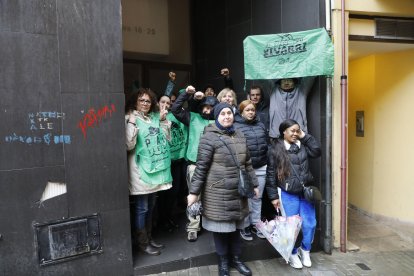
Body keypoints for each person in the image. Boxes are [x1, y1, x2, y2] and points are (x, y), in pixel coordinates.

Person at [187, 102, 259, 276]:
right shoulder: (209, 137)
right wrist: (194, 193)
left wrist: (254, 184)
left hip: (238, 191)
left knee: (237, 228)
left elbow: (247, 163)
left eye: (229, 113)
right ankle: (223, 263)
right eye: (222, 114)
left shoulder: (240, 135)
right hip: (218, 192)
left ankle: (236, 259)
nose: (227, 116)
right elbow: (201, 167)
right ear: (217, 116)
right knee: (221, 231)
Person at [265, 119, 321, 269]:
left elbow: (317, 151)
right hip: (287, 193)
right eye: (292, 131)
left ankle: (305, 250)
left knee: (310, 224)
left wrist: (304, 136)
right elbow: (270, 174)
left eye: (298, 131)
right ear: (284, 131)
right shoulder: (275, 149)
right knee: (291, 227)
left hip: (305, 192)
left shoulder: (302, 146)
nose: (295, 134)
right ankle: (293, 253)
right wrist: (273, 197)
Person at [125, 88, 172, 256]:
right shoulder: (129, 118)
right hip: (139, 171)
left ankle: (149, 238)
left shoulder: (153, 118)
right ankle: (142, 243)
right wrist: (131, 123)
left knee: (151, 206)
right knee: (142, 208)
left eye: (148, 101)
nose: (145, 103)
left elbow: (167, 139)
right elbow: (128, 145)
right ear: (135, 102)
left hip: (155, 170)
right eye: (141, 100)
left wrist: (164, 121)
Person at [171, 85, 219, 242]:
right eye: (204, 107)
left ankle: (211, 223)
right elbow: (176, 110)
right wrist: (186, 93)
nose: (207, 110)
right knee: (194, 197)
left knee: (212, 196)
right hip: (195, 164)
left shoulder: (219, 121)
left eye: (210, 107)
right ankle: (193, 227)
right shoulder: (192, 117)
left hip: (214, 164)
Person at [233, 100, 268, 241]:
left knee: (257, 197)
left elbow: (266, 142)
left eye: (252, 110)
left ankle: (256, 223)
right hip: (245, 168)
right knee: (246, 198)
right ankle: (245, 225)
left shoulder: (260, 124)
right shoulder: (235, 126)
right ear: (241, 112)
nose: (251, 112)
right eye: (247, 110)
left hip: (261, 166)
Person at [156, 95, 188, 232]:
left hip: (180, 159)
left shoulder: (178, 115)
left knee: (176, 192)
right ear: (157, 103)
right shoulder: (155, 117)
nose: (166, 104)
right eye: (163, 102)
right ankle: (161, 219)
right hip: (166, 161)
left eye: (168, 102)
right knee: (164, 193)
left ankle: (167, 217)